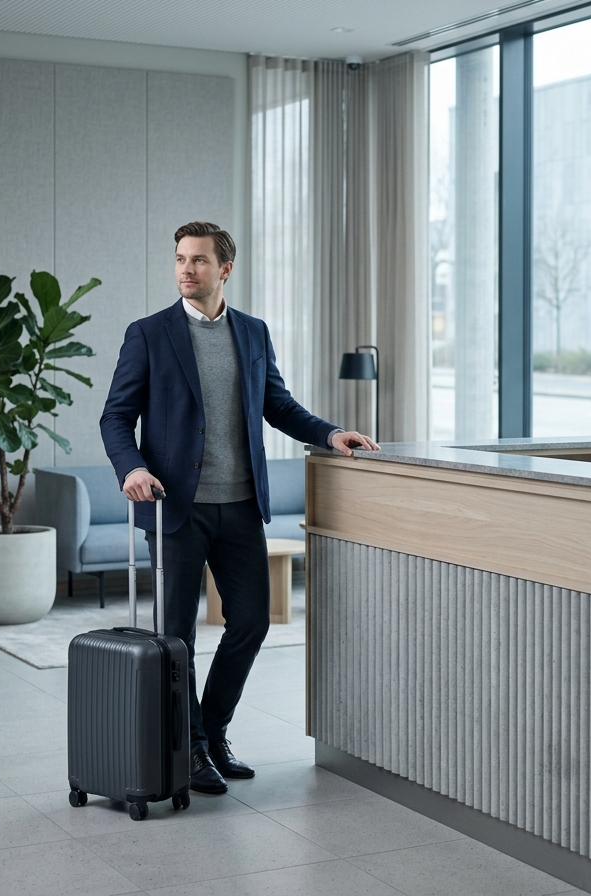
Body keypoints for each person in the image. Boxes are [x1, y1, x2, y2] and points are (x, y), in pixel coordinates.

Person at [100, 221, 379, 794]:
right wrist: (132, 468)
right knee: (175, 636)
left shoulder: (252, 333)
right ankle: (190, 749)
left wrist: (331, 434)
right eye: (180, 258)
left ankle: (213, 731)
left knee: (251, 622)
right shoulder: (148, 333)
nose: (186, 270)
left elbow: (279, 405)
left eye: (199, 261)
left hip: (240, 506)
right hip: (175, 508)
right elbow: (115, 415)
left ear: (224, 269)